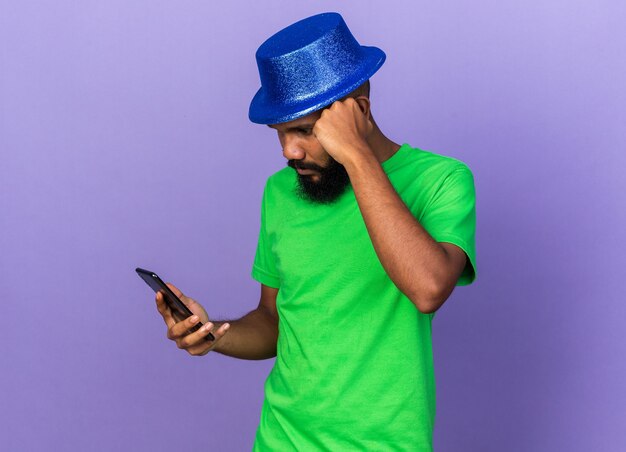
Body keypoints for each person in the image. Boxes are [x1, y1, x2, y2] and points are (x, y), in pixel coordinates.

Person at [155, 12, 477, 451]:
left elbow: (428, 288)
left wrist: (357, 156)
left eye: (305, 130)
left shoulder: (441, 180)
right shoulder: (280, 192)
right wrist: (213, 332)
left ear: (359, 110)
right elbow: (273, 321)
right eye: (281, 133)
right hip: (280, 439)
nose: (290, 151)